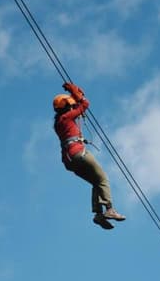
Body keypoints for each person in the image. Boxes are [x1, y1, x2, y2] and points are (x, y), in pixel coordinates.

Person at [53, 82, 126, 230]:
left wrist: (75, 94)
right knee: (103, 178)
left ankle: (98, 214)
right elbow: (85, 104)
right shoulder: (67, 117)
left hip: (69, 161)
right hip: (78, 153)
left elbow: (78, 104)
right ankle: (109, 209)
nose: (73, 107)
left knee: (95, 181)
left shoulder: (59, 122)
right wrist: (74, 90)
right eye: (71, 105)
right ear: (67, 107)